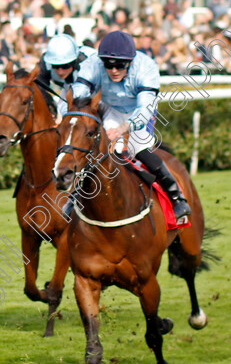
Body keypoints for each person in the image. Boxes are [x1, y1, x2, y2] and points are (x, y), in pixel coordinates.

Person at [72, 30, 191, 221]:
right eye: (108, 66)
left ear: (131, 62)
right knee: (96, 148)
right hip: (110, 107)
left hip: (139, 111)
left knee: (138, 148)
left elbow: (144, 108)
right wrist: (82, 99)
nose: (114, 71)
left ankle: (176, 197)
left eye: (120, 65)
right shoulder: (94, 63)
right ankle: (75, 196)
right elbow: (79, 88)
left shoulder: (146, 67)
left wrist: (123, 129)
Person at [37, 33, 94, 118]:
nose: (60, 71)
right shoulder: (46, 62)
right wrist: (49, 104)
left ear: (74, 61)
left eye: (65, 66)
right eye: (55, 66)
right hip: (68, 88)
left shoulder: (88, 63)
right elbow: (38, 89)